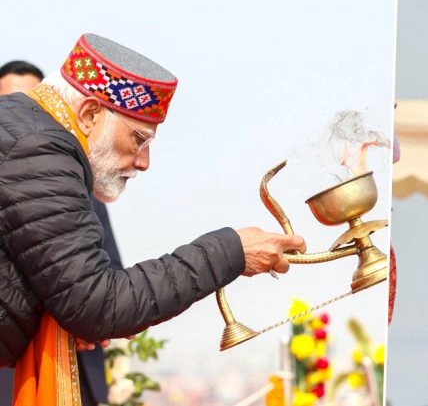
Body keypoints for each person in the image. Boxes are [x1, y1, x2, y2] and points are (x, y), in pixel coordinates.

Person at [0, 33, 305, 404]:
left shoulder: (25, 131)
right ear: (89, 114)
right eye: (138, 139)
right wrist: (232, 251)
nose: (144, 162)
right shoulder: (39, 149)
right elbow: (98, 304)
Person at [0, 59, 126, 406]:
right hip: (13, 368)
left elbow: (108, 269)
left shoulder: (80, 184)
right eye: (10, 102)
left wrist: (90, 313)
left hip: (79, 363)